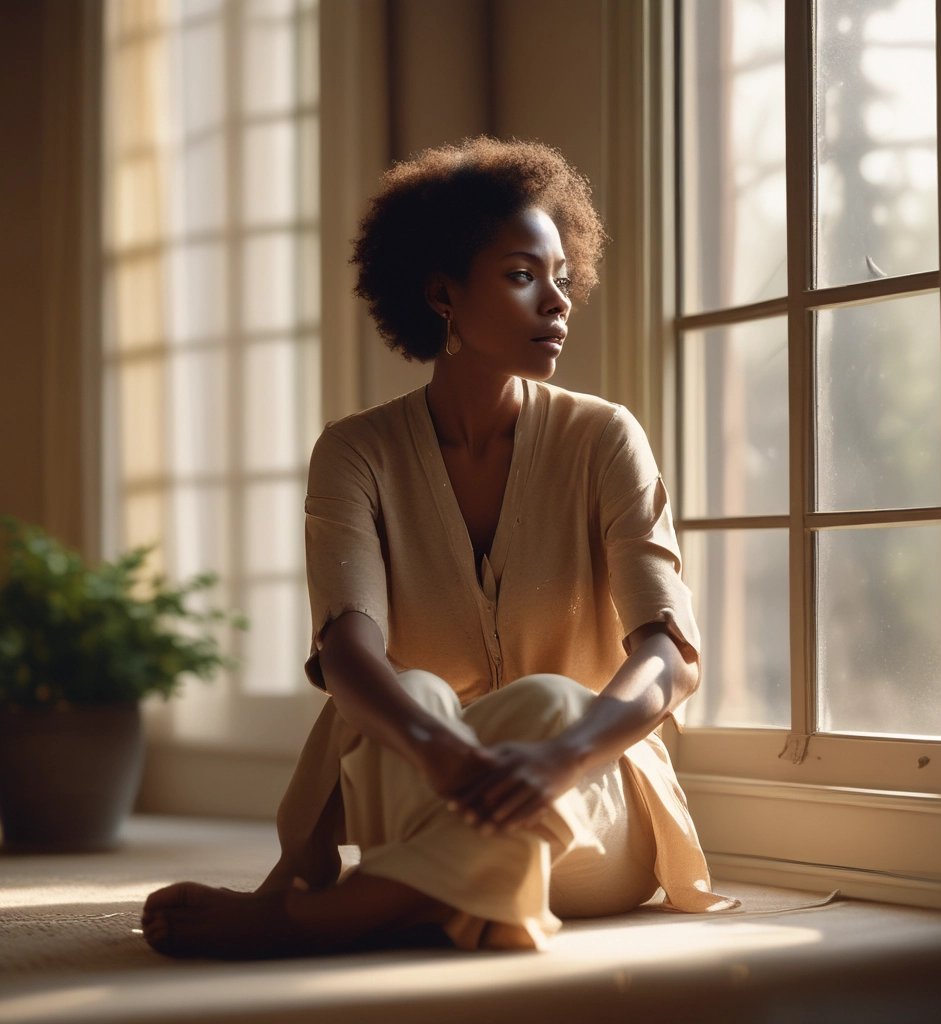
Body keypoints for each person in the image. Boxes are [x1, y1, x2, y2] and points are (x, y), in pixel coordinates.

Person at [142, 137, 735, 960]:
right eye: (524, 276)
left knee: (557, 702)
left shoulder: (605, 437)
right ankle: (441, 897)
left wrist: (561, 754)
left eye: (563, 277)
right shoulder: (356, 452)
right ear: (442, 294)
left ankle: (327, 919)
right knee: (413, 690)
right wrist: (442, 749)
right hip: (421, 783)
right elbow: (348, 651)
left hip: (585, 806)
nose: (558, 301)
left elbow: (668, 654)